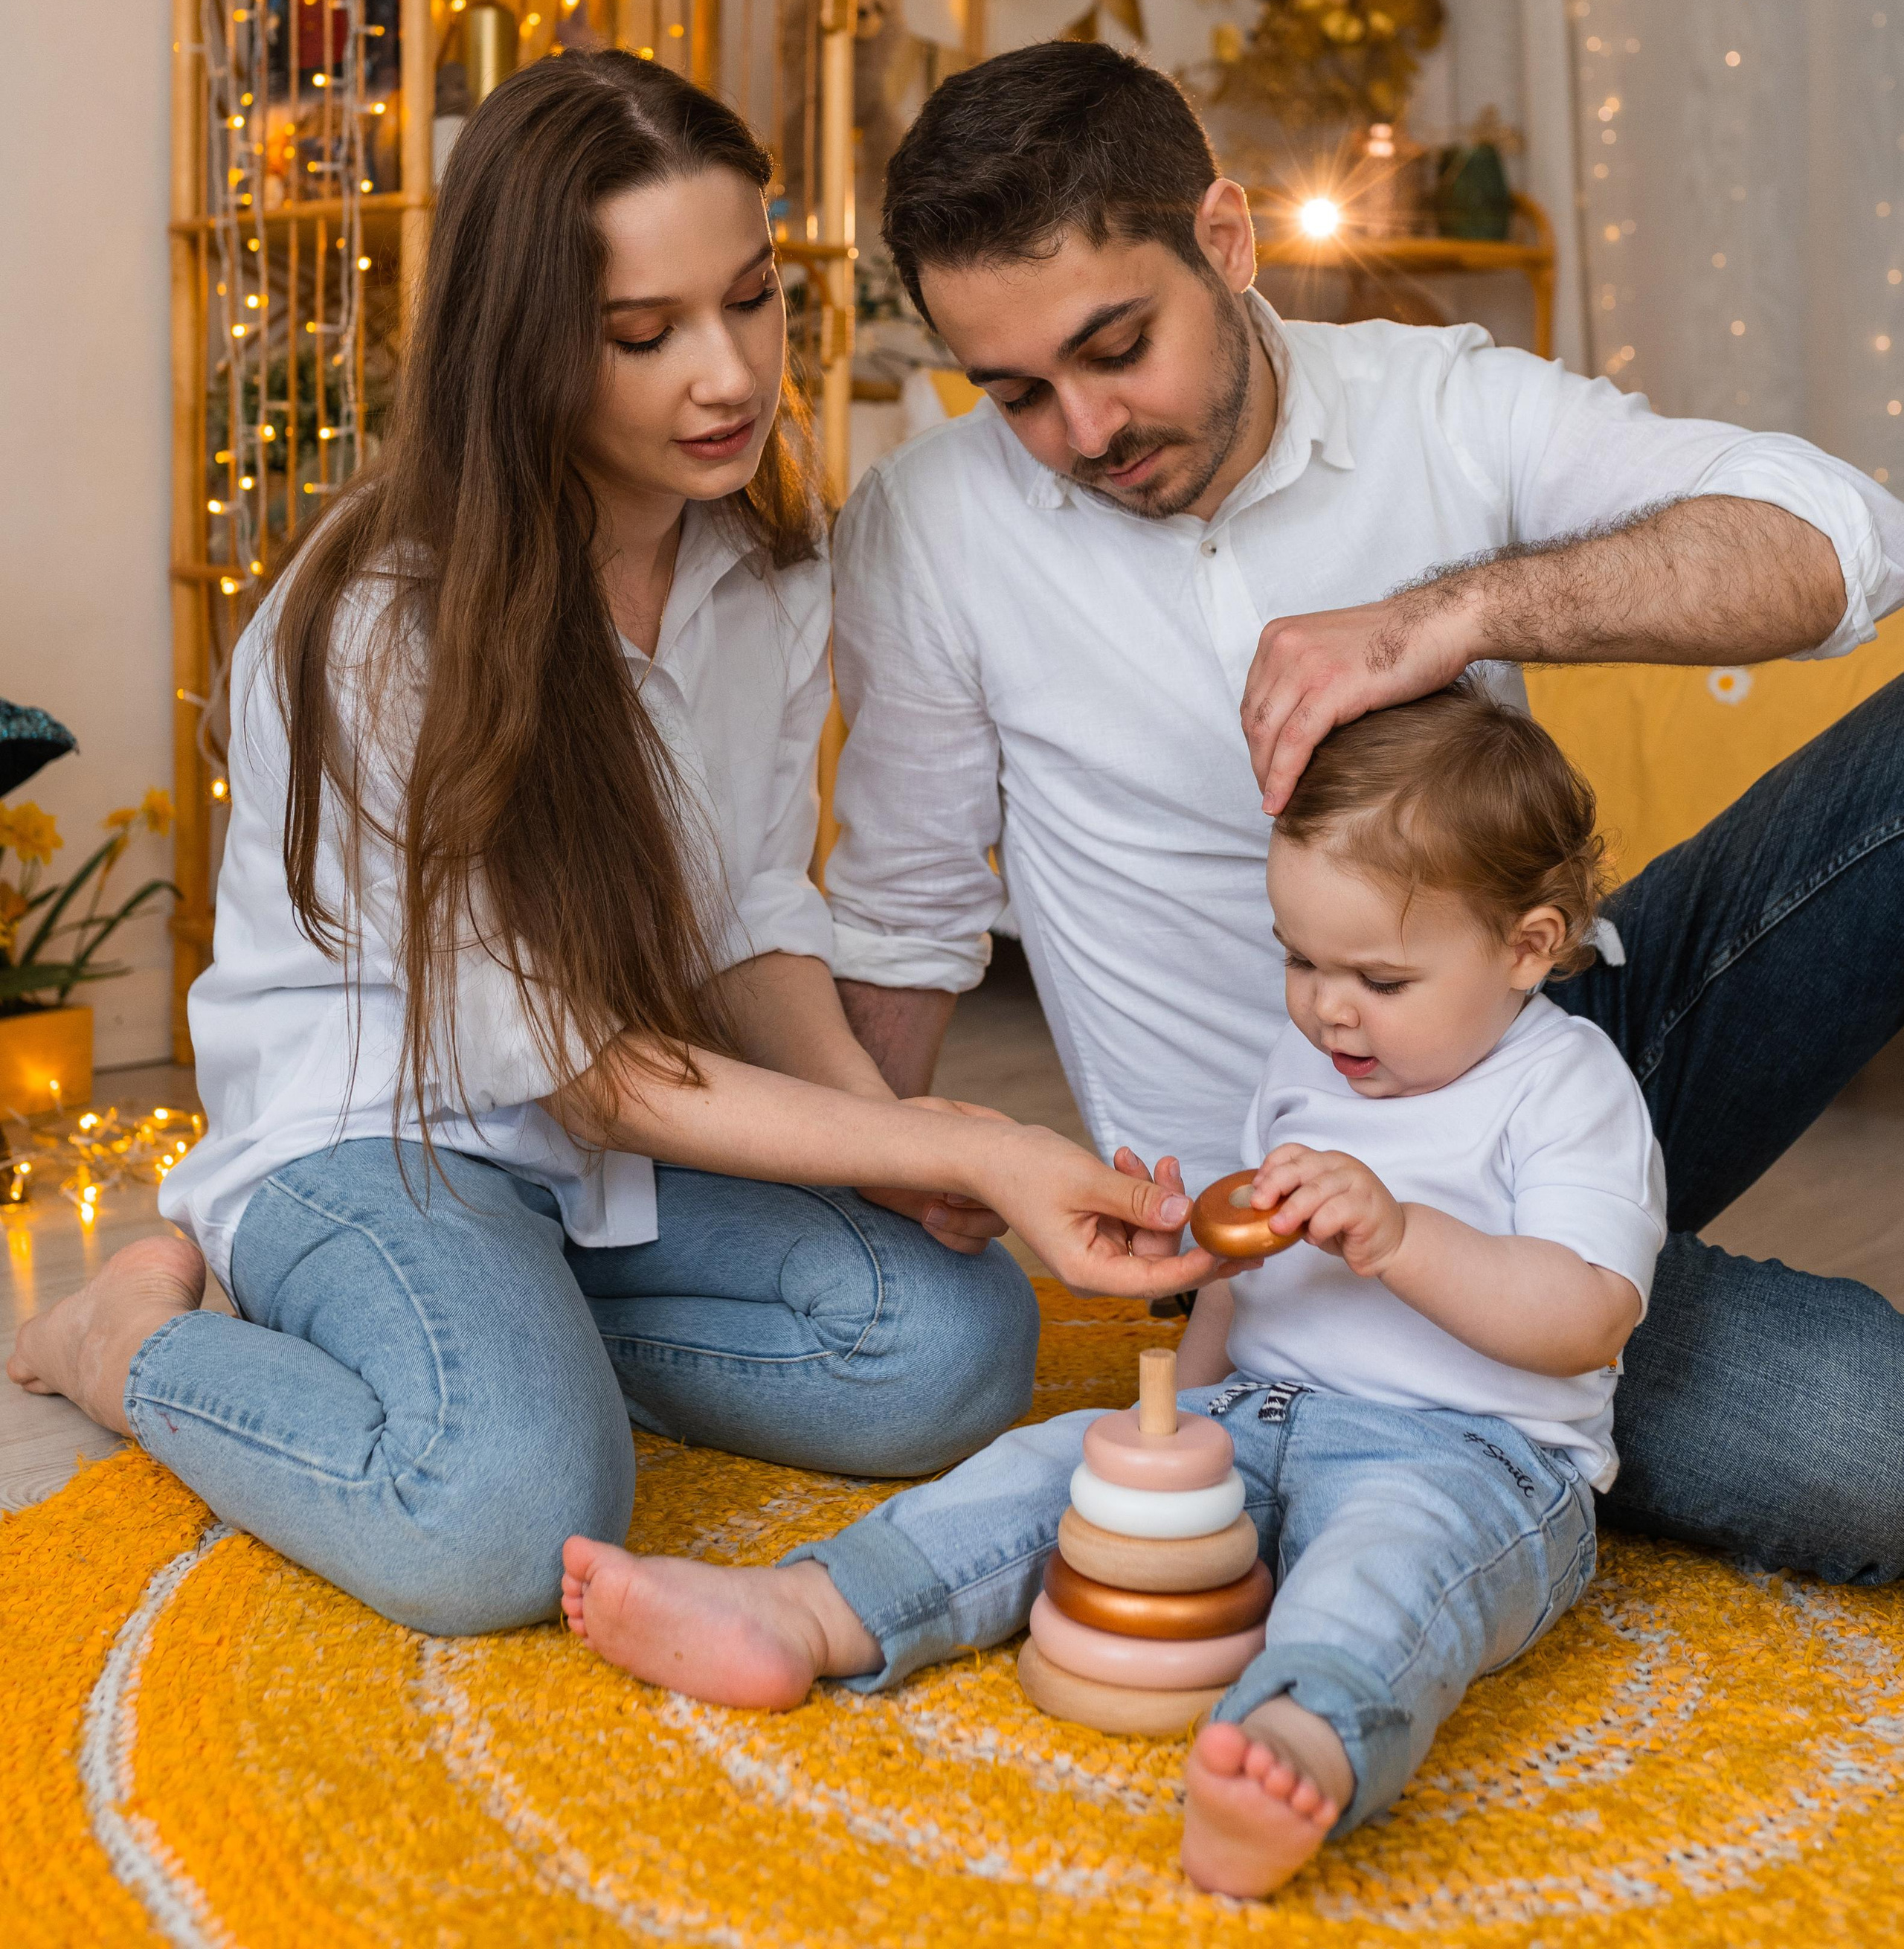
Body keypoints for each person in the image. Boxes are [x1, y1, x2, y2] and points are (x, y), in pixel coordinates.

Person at [5, 52, 1206, 1636]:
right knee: (500, 1525)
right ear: (526, 349)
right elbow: (577, 1065)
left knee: (953, 1342)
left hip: (587, 1166)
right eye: (643, 336)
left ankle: (503, 1336)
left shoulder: (764, 567)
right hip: (380, 1138)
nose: (727, 377)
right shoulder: (382, 625)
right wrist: (962, 1142)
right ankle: (124, 1343)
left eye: (753, 299)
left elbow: (748, 916)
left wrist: (885, 1147)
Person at [824, 39, 1904, 1584]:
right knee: (1869, 1455)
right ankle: (1476, 1383)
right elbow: (907, 911)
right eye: (1014, 393)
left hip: (1561, 1038)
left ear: (1224, 239)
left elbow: (1839, 540)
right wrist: (883, 1208)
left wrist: (1446, 614)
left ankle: (1532, 1341)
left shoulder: (1435, 405)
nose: (1081, 431)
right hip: (1293, 1245)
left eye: (1113, 346)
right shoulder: (929, 528)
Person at [558, 690, 1666, 1898]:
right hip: (1260, 1410)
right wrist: (1176, 1409)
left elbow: (1586, 1317)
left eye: (1381, 979)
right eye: (1300, 959)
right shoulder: (1313, 1062)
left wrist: (1401, 1239)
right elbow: (1250, 1286)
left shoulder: (1567, 1090)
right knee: (1049, 1475)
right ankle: (811, 1611)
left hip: (1474, 1460)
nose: (1326, 1006)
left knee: (1386, 1575)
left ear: (1526, 945)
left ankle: (1299, 1740)